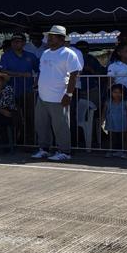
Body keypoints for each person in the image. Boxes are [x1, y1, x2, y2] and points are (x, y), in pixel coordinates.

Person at [32, 25, 83, 162]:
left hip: (59, 97)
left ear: (61, 39)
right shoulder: (45, 53)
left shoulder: (69, 53)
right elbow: (41, 71)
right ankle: (44, 149)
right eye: (49, 36)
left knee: (61, 126)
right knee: (41, 125)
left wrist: (69, 94)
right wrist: (36, 85)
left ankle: (65, 151)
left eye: (52, 36)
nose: (49, 38)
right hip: (42, 96)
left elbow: (74, 75)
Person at [104, 84, 127, 158]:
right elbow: (104, 113)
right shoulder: (107, 102)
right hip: (111, 123)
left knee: (124, 138)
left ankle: (125, 152)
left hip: (123, 123)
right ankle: (110, 151)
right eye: (115, 92)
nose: (117, 94)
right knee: (111, 138)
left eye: (120, 92)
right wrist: (101, 121)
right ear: (111, 93)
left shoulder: (125, 103)